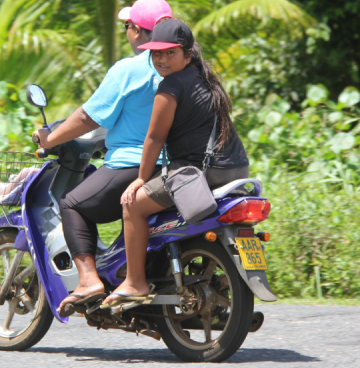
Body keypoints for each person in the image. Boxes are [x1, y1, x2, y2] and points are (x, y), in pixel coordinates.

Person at [32, 0, 173, 314]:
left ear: (136, 31)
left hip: (132, 166)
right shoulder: (178, 66)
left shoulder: (130, 69)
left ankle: (88, 280)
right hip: (172, 169)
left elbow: (88, 117)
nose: (127, 32)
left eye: (128, 26)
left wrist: (51, 138)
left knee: (71, 204)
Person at [102, 18, 250, 306]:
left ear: (187, 53)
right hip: (235, 168)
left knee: (132, 203)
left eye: (170, 53)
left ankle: (134, 282)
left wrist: (140, 180)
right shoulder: (205, 78)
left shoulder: (171, 86)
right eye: (156, 53)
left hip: (200, 173)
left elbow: (155, 138)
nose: (162, 59)